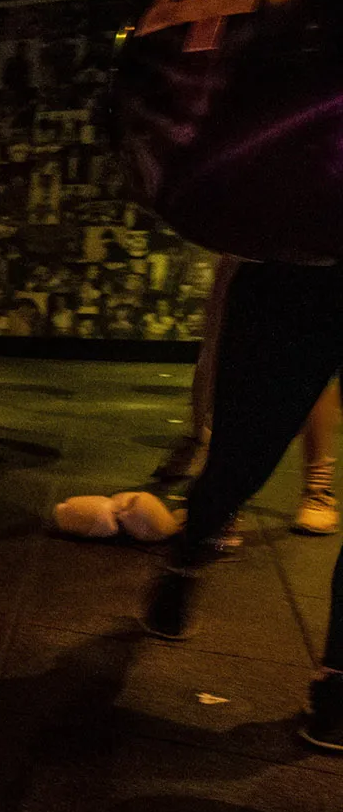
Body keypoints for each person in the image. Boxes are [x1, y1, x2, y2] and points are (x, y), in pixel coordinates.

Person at [142, 258, 343, 749]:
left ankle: (339, 679)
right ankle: (190, 549)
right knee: (241, 460)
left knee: (240, 457)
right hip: (298, 262)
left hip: (295, 264)